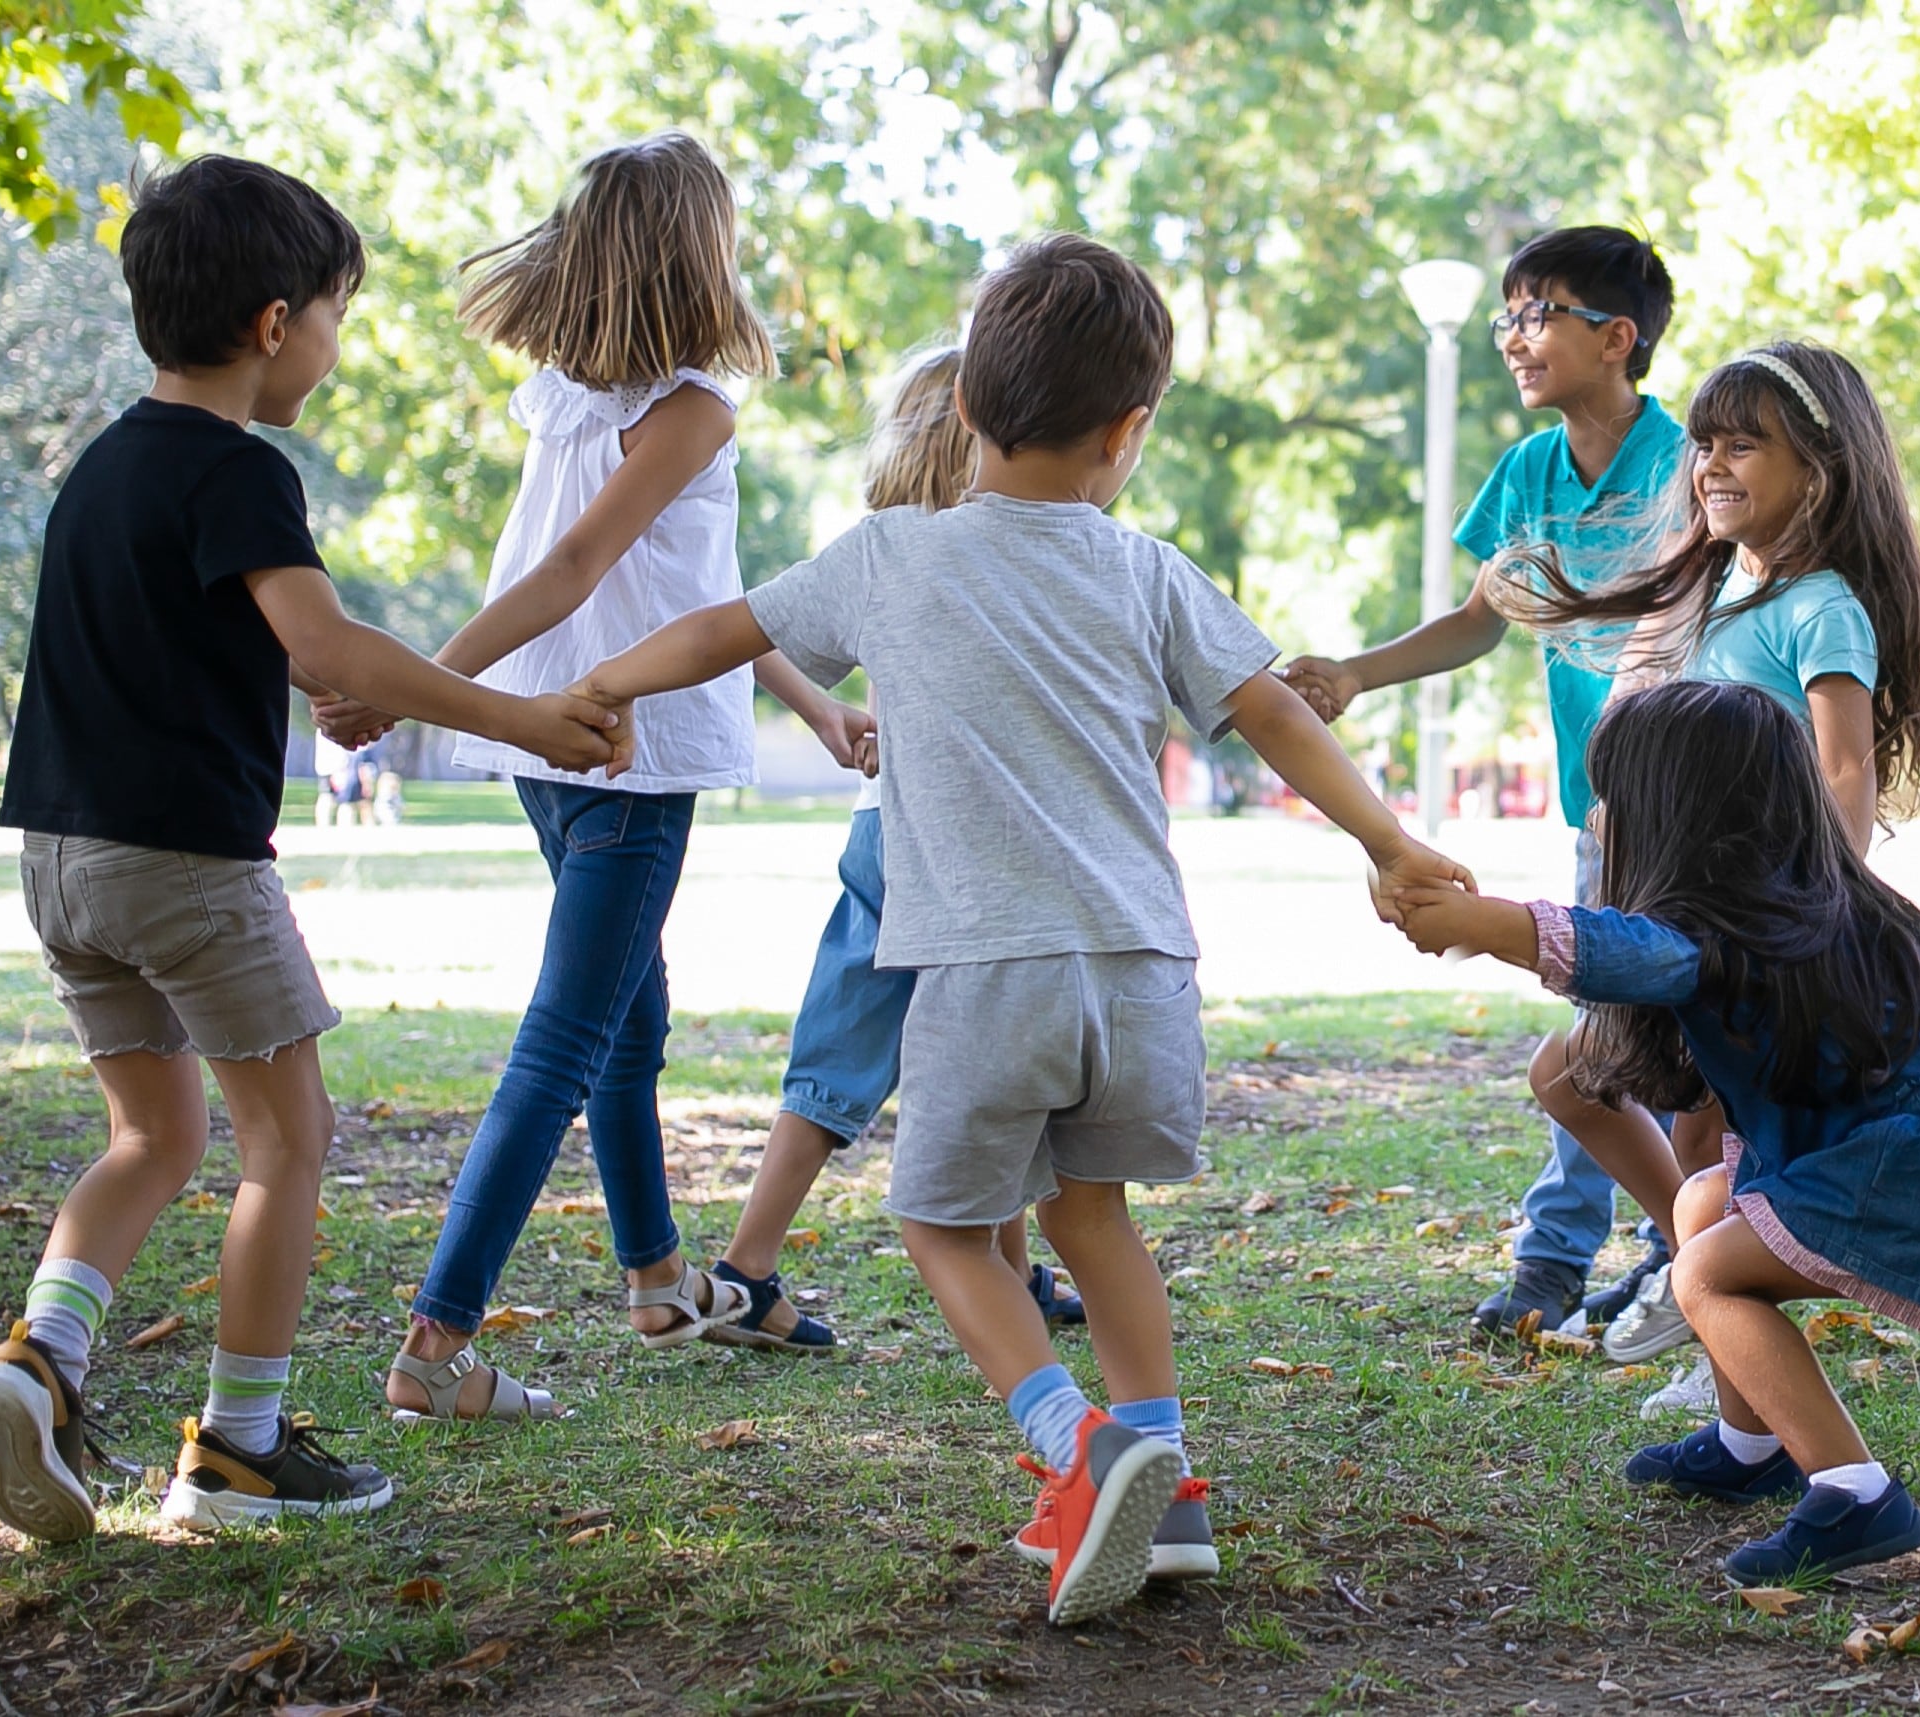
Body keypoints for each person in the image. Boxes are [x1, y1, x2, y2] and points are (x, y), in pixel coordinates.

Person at [567, 233, 1471, 1624]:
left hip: (989, 972)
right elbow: (1278, 708)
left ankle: (1079, 1445)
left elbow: (727, 630)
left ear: (966, 413)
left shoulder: (889, 557)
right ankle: (1166, 1491)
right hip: (1145, 973)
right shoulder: (1147, 569)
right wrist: (1392, 841)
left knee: (939, 1222)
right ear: (1131, 432)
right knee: (1092, 1219)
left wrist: (607, 682)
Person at [0, 154, 625, 1542]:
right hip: (187, 868)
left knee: (151, 1132)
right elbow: (325, 646)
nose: (331, 341)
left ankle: (41, 1359)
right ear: (274, 325)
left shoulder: (100, 469)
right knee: (287, 1140)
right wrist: (524, 717)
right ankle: (240, 1449)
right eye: (332, 314)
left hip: (60, 862)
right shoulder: (239, 471)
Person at [357, 133, 875, 1425]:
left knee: (628, 1021)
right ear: (701, 248)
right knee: (570, 1037)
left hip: (556, 736)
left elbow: (694, 588)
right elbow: (577, 571)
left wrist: (809, 700)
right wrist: (415, 682)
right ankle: (436, 1344)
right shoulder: (689, 402)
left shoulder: (566, 395)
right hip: (615, 748)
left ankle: (655, 1278)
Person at [1392, 679, 1920, 1580]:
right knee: (1705, 1203)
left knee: (1706, 1271)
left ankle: (1856, 1494)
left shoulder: (1730, 930)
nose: (1596, 819)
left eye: (1612, 798)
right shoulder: (1795, 905)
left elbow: (1627, 948)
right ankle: (1750, 1445)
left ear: (1680, 819)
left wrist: (1488, 924)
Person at [1485, 340, 1920, 1410]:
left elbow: (1846, 769)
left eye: (1746, 443)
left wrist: (1826, 905)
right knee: (1572, 1077)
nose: (1712, 462)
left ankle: (1718, 1338)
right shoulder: (1708, 587)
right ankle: (1681, 1266)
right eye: (1703, 442)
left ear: (1819, 471)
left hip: (1757, 928)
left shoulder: (1821, 604)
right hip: (1669, 911)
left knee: (1707, 1133)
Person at [1282, 227, 1684, 1346]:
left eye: (1536, 313)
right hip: (1595, 814)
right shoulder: (1527, 474)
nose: (1514, 337)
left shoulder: (1690, 462)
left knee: (1623, 1038)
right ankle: (1652, 1249)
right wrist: (1355, 672)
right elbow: (1478, 620)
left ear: (1617, 338)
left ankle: (1579, 1257)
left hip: (1691, 815)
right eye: (1505, 315)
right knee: (1610, 1032)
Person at [707, 346, 1087, 1357]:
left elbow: (750, 626)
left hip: (884, 828)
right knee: (993, 1043)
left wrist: (829, 711)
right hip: (965, 844)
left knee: (854, 1050)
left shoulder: (884, 544)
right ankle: (760, 1270)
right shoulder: (1007, 546)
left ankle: (750, 1264)